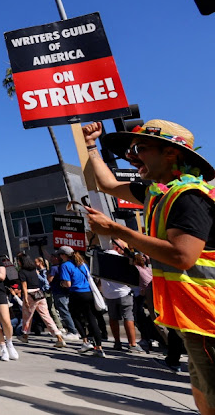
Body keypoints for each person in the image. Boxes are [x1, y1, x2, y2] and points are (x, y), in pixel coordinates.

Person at [82, 120, 215, 413]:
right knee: (203, 394)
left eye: (140, 148)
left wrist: (118, 231)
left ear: (171, 153)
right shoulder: (157, 193)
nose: (131, 156)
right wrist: (91, 145)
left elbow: (183, 256)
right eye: (131, 150)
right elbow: (107, 184)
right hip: (194, 318)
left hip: (209, 319)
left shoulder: (189, 196)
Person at [57, 246, 106, 358]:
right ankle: (99, 348)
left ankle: (85, 341)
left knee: (75, 317)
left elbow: (68, 284)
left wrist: (61, 284)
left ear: (64, 255)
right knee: (91, 319)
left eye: (60, 255)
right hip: (88, 292)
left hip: (76, 293)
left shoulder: (65, 265)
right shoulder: (83, 264)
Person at [100, 239, 145, 353]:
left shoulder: (101, 256)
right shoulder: (122, 259)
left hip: (109, 293)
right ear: (117, 248)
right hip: (124, 292)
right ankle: (132, 344)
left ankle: (117, 342)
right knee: (128, 317)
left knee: (113, 318)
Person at [17, 254, 66, 348]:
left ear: (21, 261)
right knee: (46, 316)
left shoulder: (22, 272)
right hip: (39, 293)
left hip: (30, 294)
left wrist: (26, 298)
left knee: (27, 316)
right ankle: (59, 337)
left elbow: (24, 285)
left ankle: (25, 335)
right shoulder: (34, 270)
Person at [48, 253, 80, 340]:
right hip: (65, 292)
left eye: (52, 257)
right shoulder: (64, 266)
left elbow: (49, 279)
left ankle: (72, 331)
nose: (50, 259)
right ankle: (75, 329)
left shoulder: (54, 268)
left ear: (56, 258)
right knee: (67, 311)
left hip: (58, 292)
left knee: (64, 312)